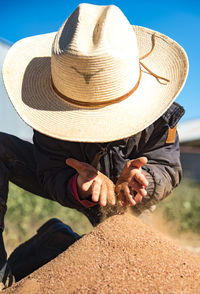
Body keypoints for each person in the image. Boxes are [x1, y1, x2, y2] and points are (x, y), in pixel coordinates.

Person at [1, 3, 188, 290]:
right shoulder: (48, 116)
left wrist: (144, 182)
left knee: (131, 265)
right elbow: (48, 170)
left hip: (131, 199)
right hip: (76, 183)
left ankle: (59, 242)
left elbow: (167, 167)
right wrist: (76, 185)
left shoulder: (162, 117)